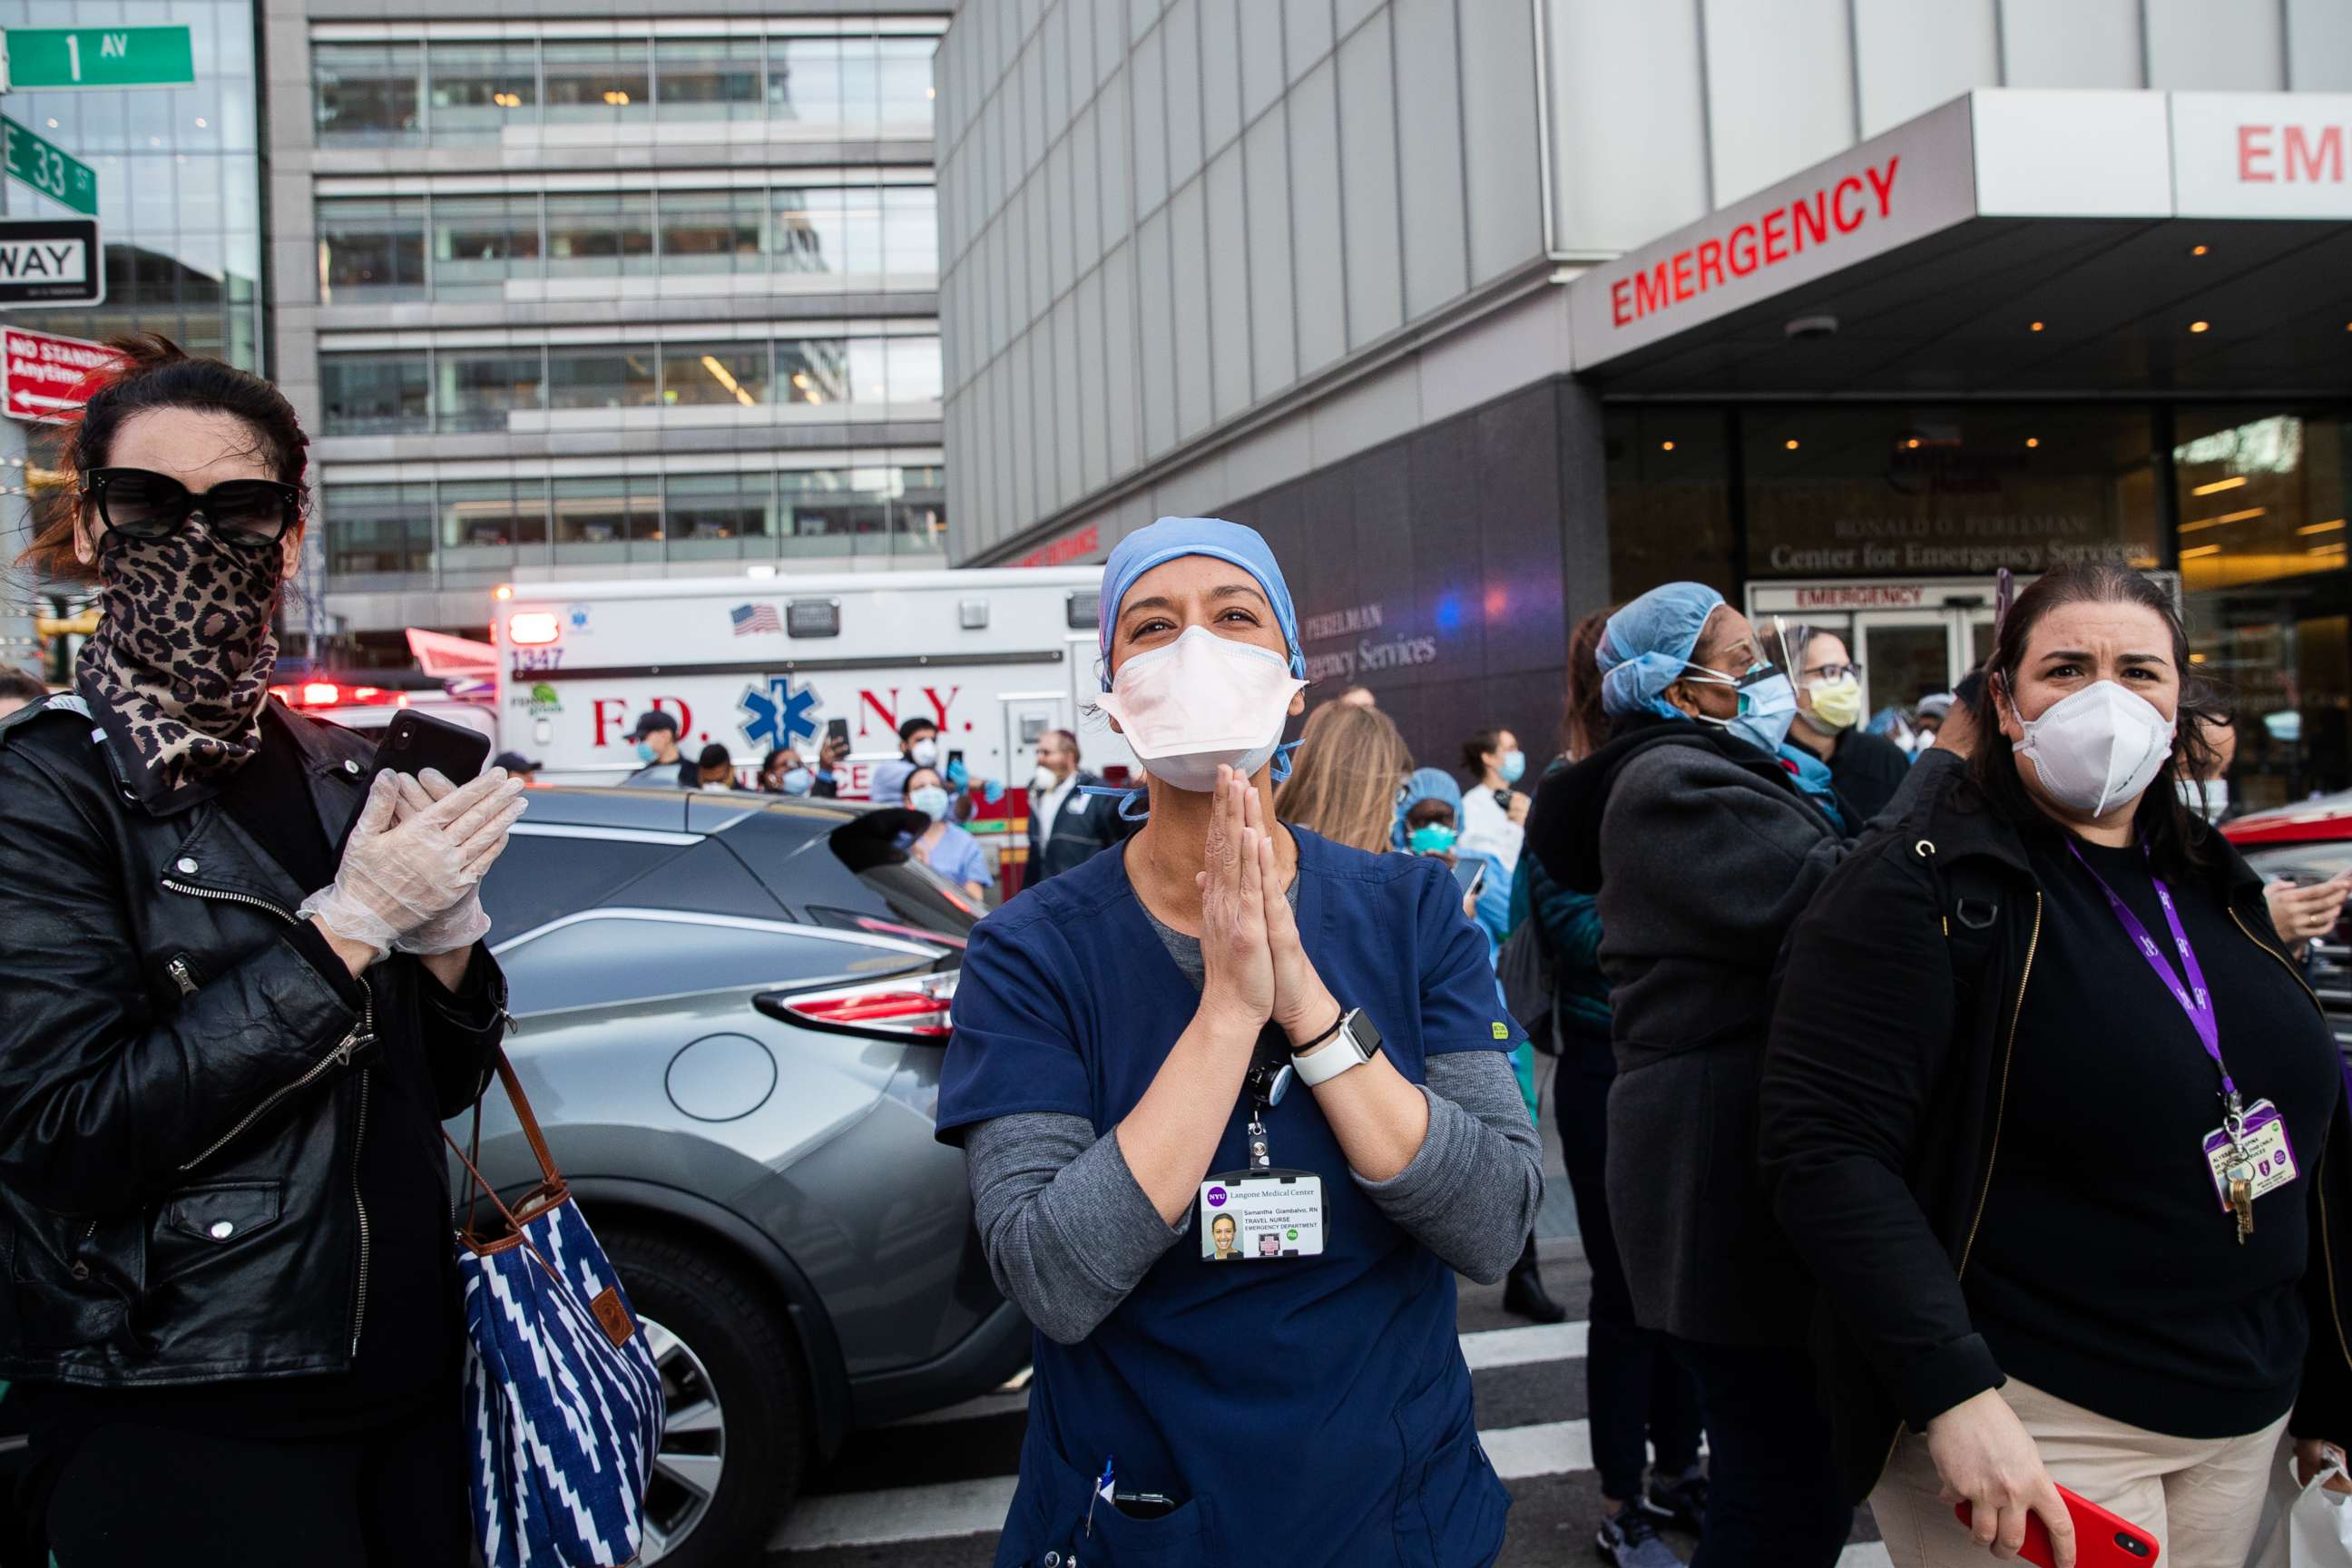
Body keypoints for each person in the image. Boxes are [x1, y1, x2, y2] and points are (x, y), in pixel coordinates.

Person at [0, 335, 527, 1565]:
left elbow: (427, 1091)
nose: (195, 541)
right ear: (89, 522)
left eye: (238, 509)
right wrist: (344, 931)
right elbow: (64, 1130)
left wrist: (446, 947)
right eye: (149, 504)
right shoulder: (46, 794)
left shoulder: (333, 768)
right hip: (188, 1412)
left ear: (290, 539)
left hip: (406, 1392)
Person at [936, 515, 1538, 1564]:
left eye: (1234, 616)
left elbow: (1491, 1225)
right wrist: (1225, 1013)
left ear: (1294, 675)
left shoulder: (1411, 911)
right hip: (1140, 1518)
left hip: (1395, 1515)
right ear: (1112, 695)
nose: (1198, 650)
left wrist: (1302, 1001)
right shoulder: (1028, 954)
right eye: (1154, 627)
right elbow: (1049, 1277)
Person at [1761, 562, 2352, 1567]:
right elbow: (1824, 1149)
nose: (2107, 699)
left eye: (2141, 671)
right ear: (2003, 696)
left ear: (2180, 699)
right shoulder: (1921, 881)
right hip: (2037, 1417)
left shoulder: (2207, 872)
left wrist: (2332, 1386)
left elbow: (2310, 1129)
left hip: (2243, 1408)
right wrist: (1951, 1389)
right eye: (2066, 668)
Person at [1528, 581, 1853, 1566]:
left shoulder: (1725, 770)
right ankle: (1635, 1489)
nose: (1772, 682)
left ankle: (1672, 1474)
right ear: (1677, 687)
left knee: (1789, 1466)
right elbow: (1838, 897)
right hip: (1717, 1170)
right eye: (1745, 662)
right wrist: (1935, 779)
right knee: (1781, 1474)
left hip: (1721, 1157)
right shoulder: (1671, 785)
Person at [1514, 607, 1706, 1567]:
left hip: (1678, 1065)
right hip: (1607, 1065)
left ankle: (1680, 1469)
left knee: (1686, 1288)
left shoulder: (1688, 776)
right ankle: (1621, 1498)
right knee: (1627, 1296)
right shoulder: (1567, 791)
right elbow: (1586, 939)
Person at [1395, 767, 1564, 1328]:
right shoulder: (1390, 879)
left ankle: (1526, 1271)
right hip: (1416, 1036)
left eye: (1443, 821)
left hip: (1489, 1033)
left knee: (1513, 1143)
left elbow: (1518, 931)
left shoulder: (1479, 873)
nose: (1434, 831)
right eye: (1422, 822)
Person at [1779, 625, 1912, 823]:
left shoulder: (1885, 758)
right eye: (1830, 671)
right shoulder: (1771, 762)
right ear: (1788, 682)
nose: (1847, 682)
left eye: (1849, 671)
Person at [1273, 701, 1414, 854]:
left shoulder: (1275, 849)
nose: (1395, 808)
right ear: (1367, 791)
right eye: (1397, 793)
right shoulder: (1302, 862)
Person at [1025, 728, 1131, 885]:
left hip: (1085, 892)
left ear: (1069, 757)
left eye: (1047, 753)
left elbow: (1116, 843)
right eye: (1038, 752)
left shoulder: (1094, 793)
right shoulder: (1038, 796)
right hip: (1048, 893)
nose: (1040, 759)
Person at [904, 764, 992, 899]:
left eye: (935, 786)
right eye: (920, 787)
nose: (929, 792)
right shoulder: (900, 842)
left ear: (945, 794)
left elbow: (975, 899)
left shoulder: (965, 843)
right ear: (907, 799)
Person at [1457, 728, 1530, 873]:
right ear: (1488, 757)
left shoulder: (1524, 801)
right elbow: (1483, 860)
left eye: (1517, 748)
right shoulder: (1471, 806)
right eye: (1510, 749)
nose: (1518, 754)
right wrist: (1515, 826)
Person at [870, 716, 939, 807]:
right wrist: (950, 782)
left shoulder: (935, 772)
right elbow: (921, 777)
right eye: (920, 740)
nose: (928, 746)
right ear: (904, 745)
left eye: (932, 740)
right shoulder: (888, 770)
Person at [620, 709, 693, 787]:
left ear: (666, 735)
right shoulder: (640, 775)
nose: (641, 744)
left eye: (643, 738)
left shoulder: (694, 773)